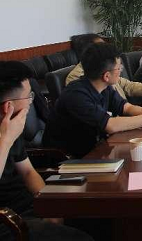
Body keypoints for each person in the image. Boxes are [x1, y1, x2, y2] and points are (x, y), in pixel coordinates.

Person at [0, 61, 93, 240]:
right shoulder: (9, 132)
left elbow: (28, 172)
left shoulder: (11, 127)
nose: (31, 102)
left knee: (100, 217)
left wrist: (49, 204)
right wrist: (6, 139)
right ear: (8, 106)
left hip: (29, 205)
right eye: (29, 97)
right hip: (9, 220)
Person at [43, 43, 142, 158]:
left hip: (96, 149)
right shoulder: (76, 95)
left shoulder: (103, 87)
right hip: (69, 159)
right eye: (118, 68)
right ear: (106, 76)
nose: (121, 71)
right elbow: (110, 125)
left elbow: (126, 107)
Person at [66, 33, 142, 100]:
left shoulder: (104, 69)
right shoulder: (77, 79)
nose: (107, 49)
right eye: (102, 47)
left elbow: (128, 85)